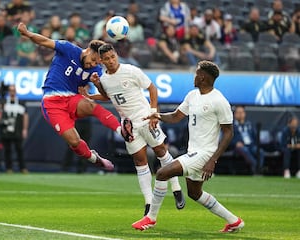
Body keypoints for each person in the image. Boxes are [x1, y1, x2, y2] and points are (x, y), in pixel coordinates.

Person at [132, 60, 244, 233]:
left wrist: (212, 160)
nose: (194, 76)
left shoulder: (219, 100)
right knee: (194, 193)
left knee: (162, 173)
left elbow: (229, 132)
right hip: (194, 151)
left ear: (204, 77)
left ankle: (151, 218)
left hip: (205, 154)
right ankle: (234, 221)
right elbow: (176, 116)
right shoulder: (192, 95)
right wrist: (157, 116)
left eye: (197, 73)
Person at [79, 43, 185, 216]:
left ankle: (176, 189)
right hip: (128, 125)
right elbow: (108, 96)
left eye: (113, 57)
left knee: (161, 152)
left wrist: (153, 113)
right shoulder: (104, 79)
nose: (111, 61)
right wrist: (91, 95)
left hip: (145, 118)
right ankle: (148, 203)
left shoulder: (131, 70)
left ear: (116, 55)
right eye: (107, 59)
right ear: (102, 61)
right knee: (140, 162)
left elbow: (152, 88)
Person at [17, 22, 123, 172]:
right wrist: (27, 34)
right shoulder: (68, 49)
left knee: (91, 105)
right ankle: (95, 158)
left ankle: (121, 130)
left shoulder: (96, 70)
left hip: (72, 99)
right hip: (52, 102)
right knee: (74, 141)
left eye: (97, 63)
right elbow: (45, 41)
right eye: (93, 60)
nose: (92, 64)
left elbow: (107, 96)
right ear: (88, 50)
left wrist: (97, 84)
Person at [0, 84, 29, 173]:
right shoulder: (3, 102)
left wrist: (25, 129)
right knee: (7, 149)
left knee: (19, 149)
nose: (12, 92)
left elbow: (25, 116)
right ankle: (9, 168)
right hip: (6, 131)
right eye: (10, 90)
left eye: (13, 90)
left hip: (17, 130)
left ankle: (22, 168)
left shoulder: (21, 103)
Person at [232, 105, 264, 175]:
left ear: (245, 113)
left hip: (251, 145)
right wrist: (235, 143)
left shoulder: (249, 124)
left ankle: (258, 169)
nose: (240, 114)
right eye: (238, 112)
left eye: (242, 112)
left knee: (260, 151)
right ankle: (256, 168)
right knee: (244, 150)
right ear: (234, 114)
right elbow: (228, 138)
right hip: (239, 146)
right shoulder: (232, 126)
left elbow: (255, 137)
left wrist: (257, 142)